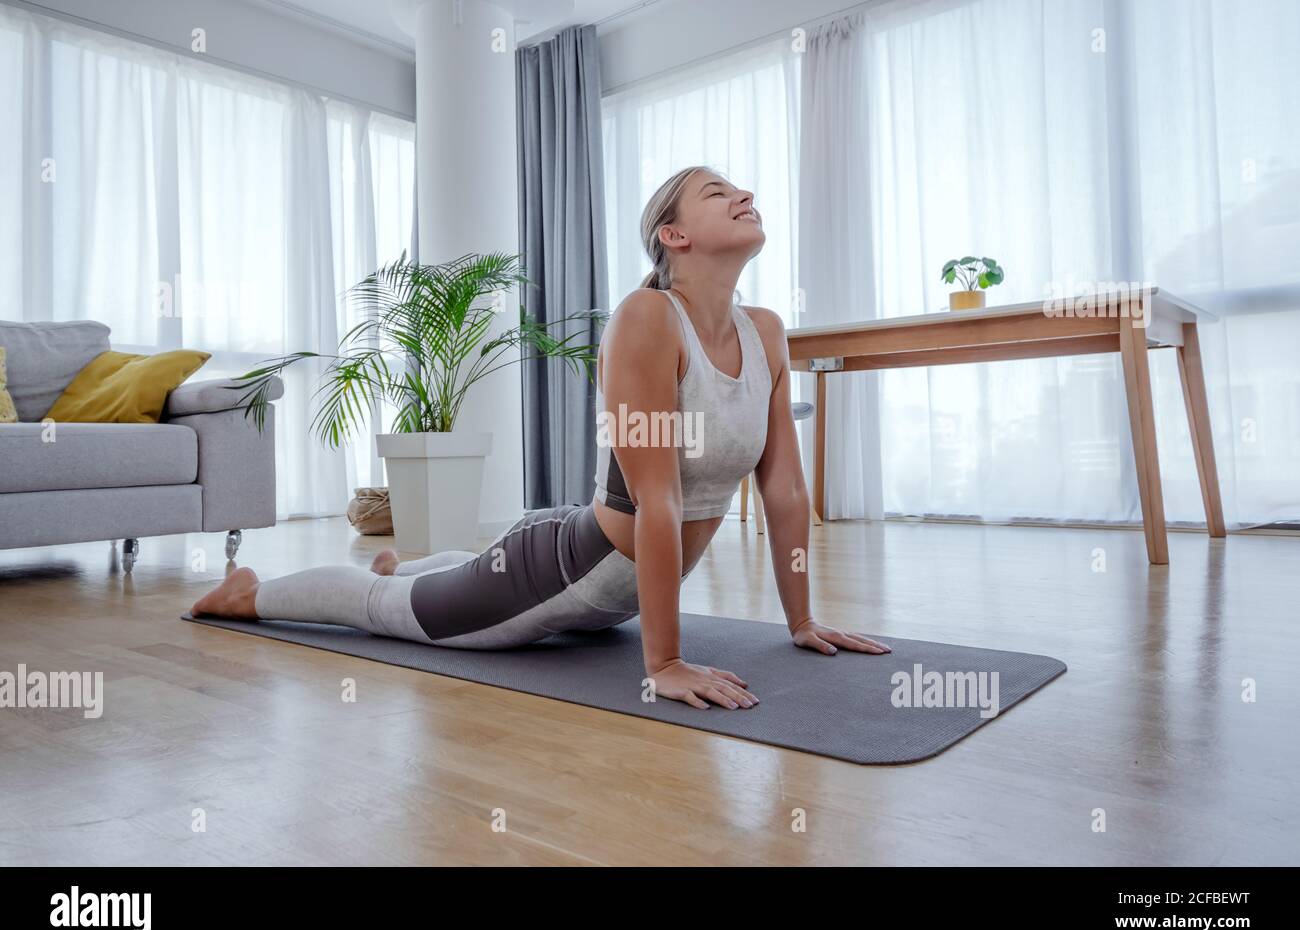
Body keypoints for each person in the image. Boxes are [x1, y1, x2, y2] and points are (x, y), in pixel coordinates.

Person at [191, 165, 890, 710]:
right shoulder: (647, 317)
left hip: (607, 589)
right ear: (673, 236)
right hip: (560, 572)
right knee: (381, 614)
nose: (746, 194)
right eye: (718, 191)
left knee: (455, 575)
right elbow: (658, 501)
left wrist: (802, 620)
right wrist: (664, 664)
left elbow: (786, 488)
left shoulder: (763, 329)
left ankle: (405, 566)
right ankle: (250, 593)